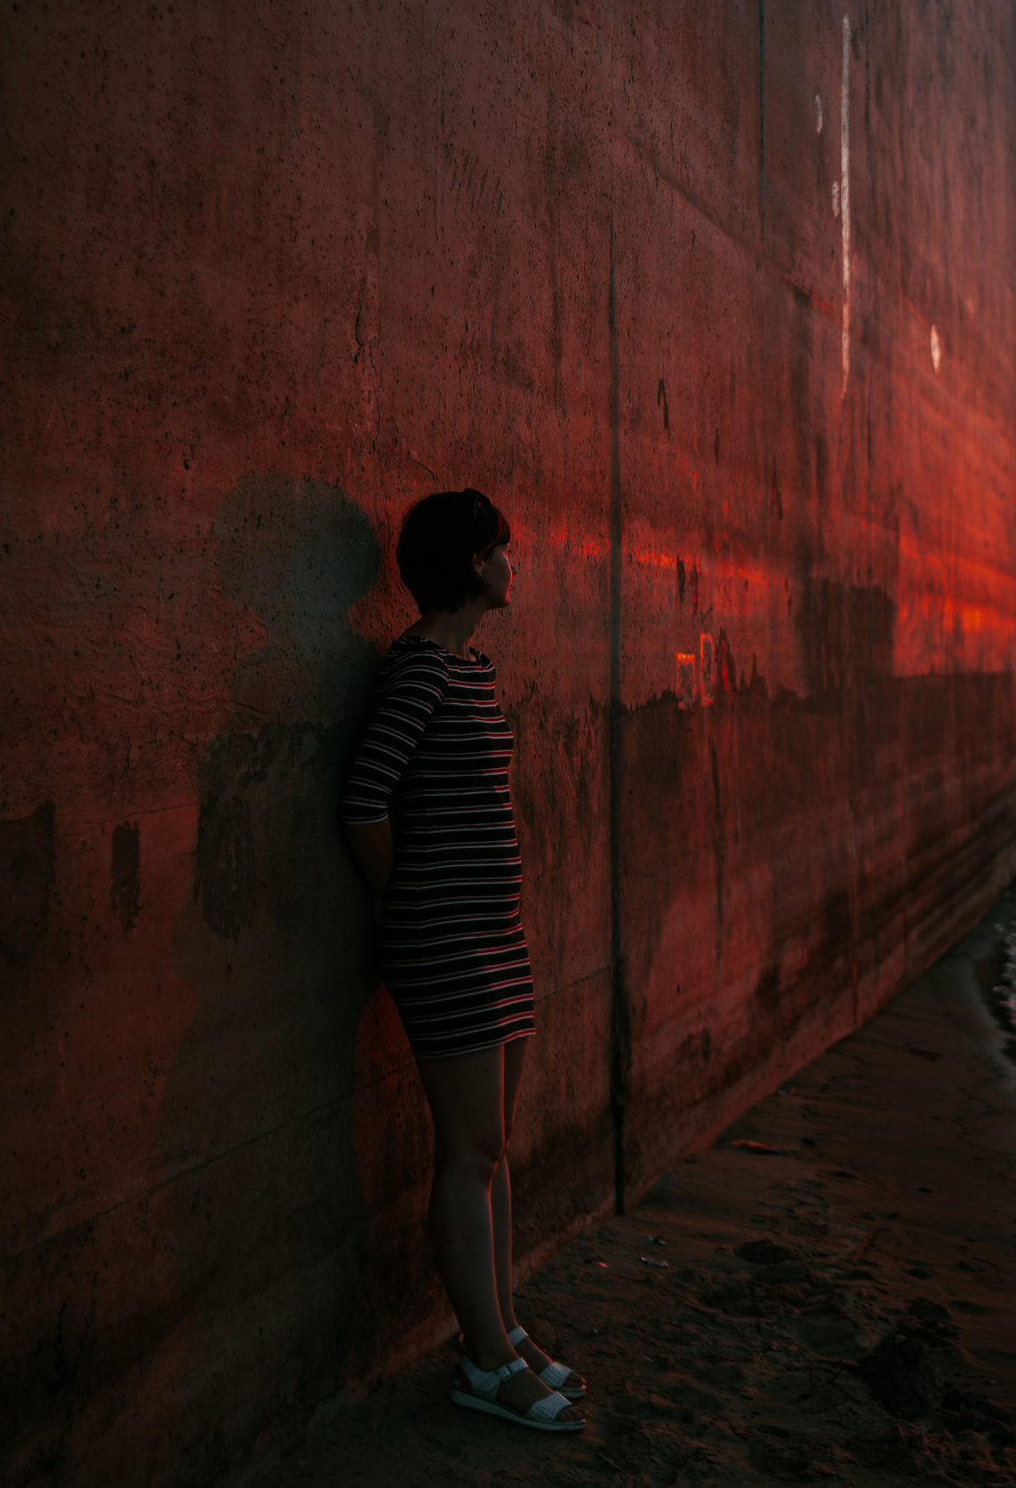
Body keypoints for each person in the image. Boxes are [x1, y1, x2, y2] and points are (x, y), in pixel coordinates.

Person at [341, 489, 585, 1435]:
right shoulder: (420, 674)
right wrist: (402, 901)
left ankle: (506, 1326)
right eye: (504, 549)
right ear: (472, 564)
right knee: (468, 1150)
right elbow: (364, 799)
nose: (514, 562)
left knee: (492, 1148)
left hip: (495, 937)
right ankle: (483, 1363)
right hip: (443, 939)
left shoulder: (470, 670)